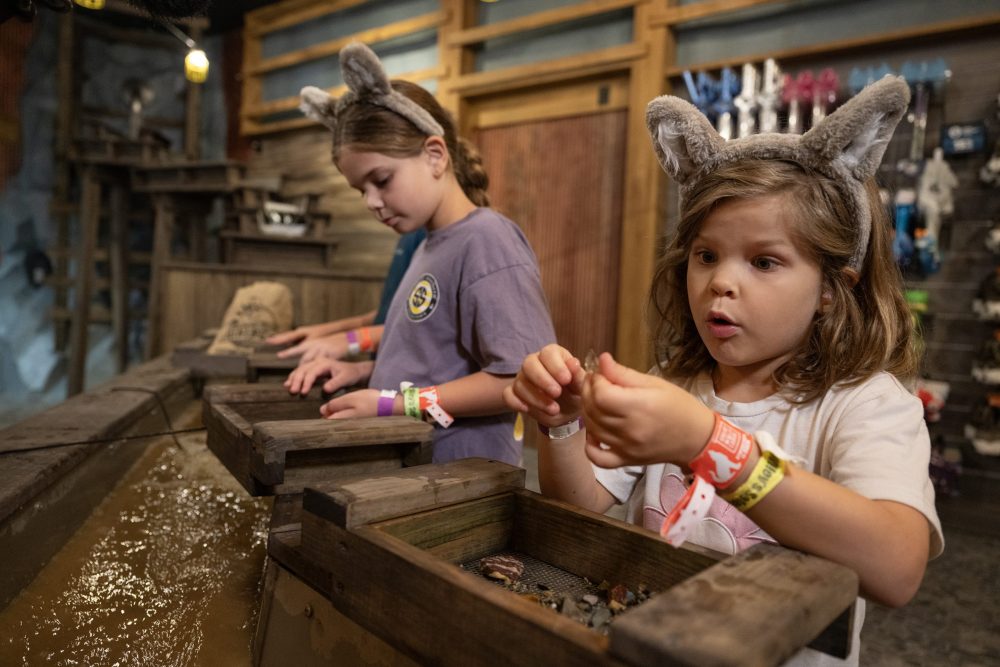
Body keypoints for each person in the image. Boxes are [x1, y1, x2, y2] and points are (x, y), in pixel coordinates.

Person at [504, 75, 943, 666]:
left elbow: (895, 566)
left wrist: (710, 445)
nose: (721, 282)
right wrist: (560, 425)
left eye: (765, 261)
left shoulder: (865, 404)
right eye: (706, 256)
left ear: (833, 292)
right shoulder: (673, 382)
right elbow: (584, 506)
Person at [293, 42, 556, 466]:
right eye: (361, 190)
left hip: (461, 481)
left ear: (435, 155)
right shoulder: (429, 244)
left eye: (381, 179)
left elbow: (517, 378)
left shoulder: (487, 240)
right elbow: (436, 359)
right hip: (418, 473)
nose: (372, 202)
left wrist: (391, 405)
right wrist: (363, 373)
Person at [265, 227, 425, 364]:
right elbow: (394, 312)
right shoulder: (409, 231)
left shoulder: (430, 236)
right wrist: (327, 331)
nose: (372, 203)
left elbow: (425, 327)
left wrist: (350, 340)